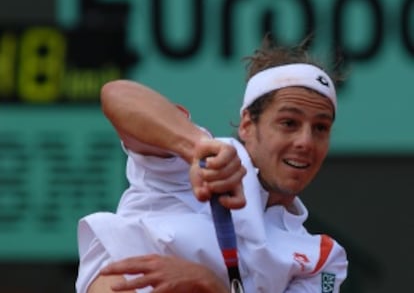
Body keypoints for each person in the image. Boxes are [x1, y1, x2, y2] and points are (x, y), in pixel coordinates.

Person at [75, 35, 348, 293]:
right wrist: (196, 148)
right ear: (247, 125)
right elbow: (117, 94)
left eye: (321, 128)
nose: (306, 142)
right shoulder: (191, 158)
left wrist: (209, 285)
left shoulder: (325, 263)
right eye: (289, 123)